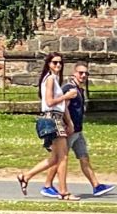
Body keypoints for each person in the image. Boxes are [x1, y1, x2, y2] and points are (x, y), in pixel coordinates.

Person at [15, 53, 79, 200]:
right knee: (63, 157)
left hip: (56, 118)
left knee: (56, 158)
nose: (58, 65)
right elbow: (50, 102)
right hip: (52, 119)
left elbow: (60, 106)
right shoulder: (50, 79)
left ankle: (26, 176)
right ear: (48, 64)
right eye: (55, 63)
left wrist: (69, 122)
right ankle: (64, 192)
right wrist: (67, 96)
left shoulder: (54, 80)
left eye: (60, 63)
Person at [43, 63, 112, 197]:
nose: (84, 75)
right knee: (58, 159)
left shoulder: (79, 90)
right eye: (81, 73)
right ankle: (47, 185)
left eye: (86, 73)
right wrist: (68, 124)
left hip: (78, 131)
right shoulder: (69, 88)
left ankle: (96, 186)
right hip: (69, 131)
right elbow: (62, 107)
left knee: (84, 158)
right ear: (74, 73)